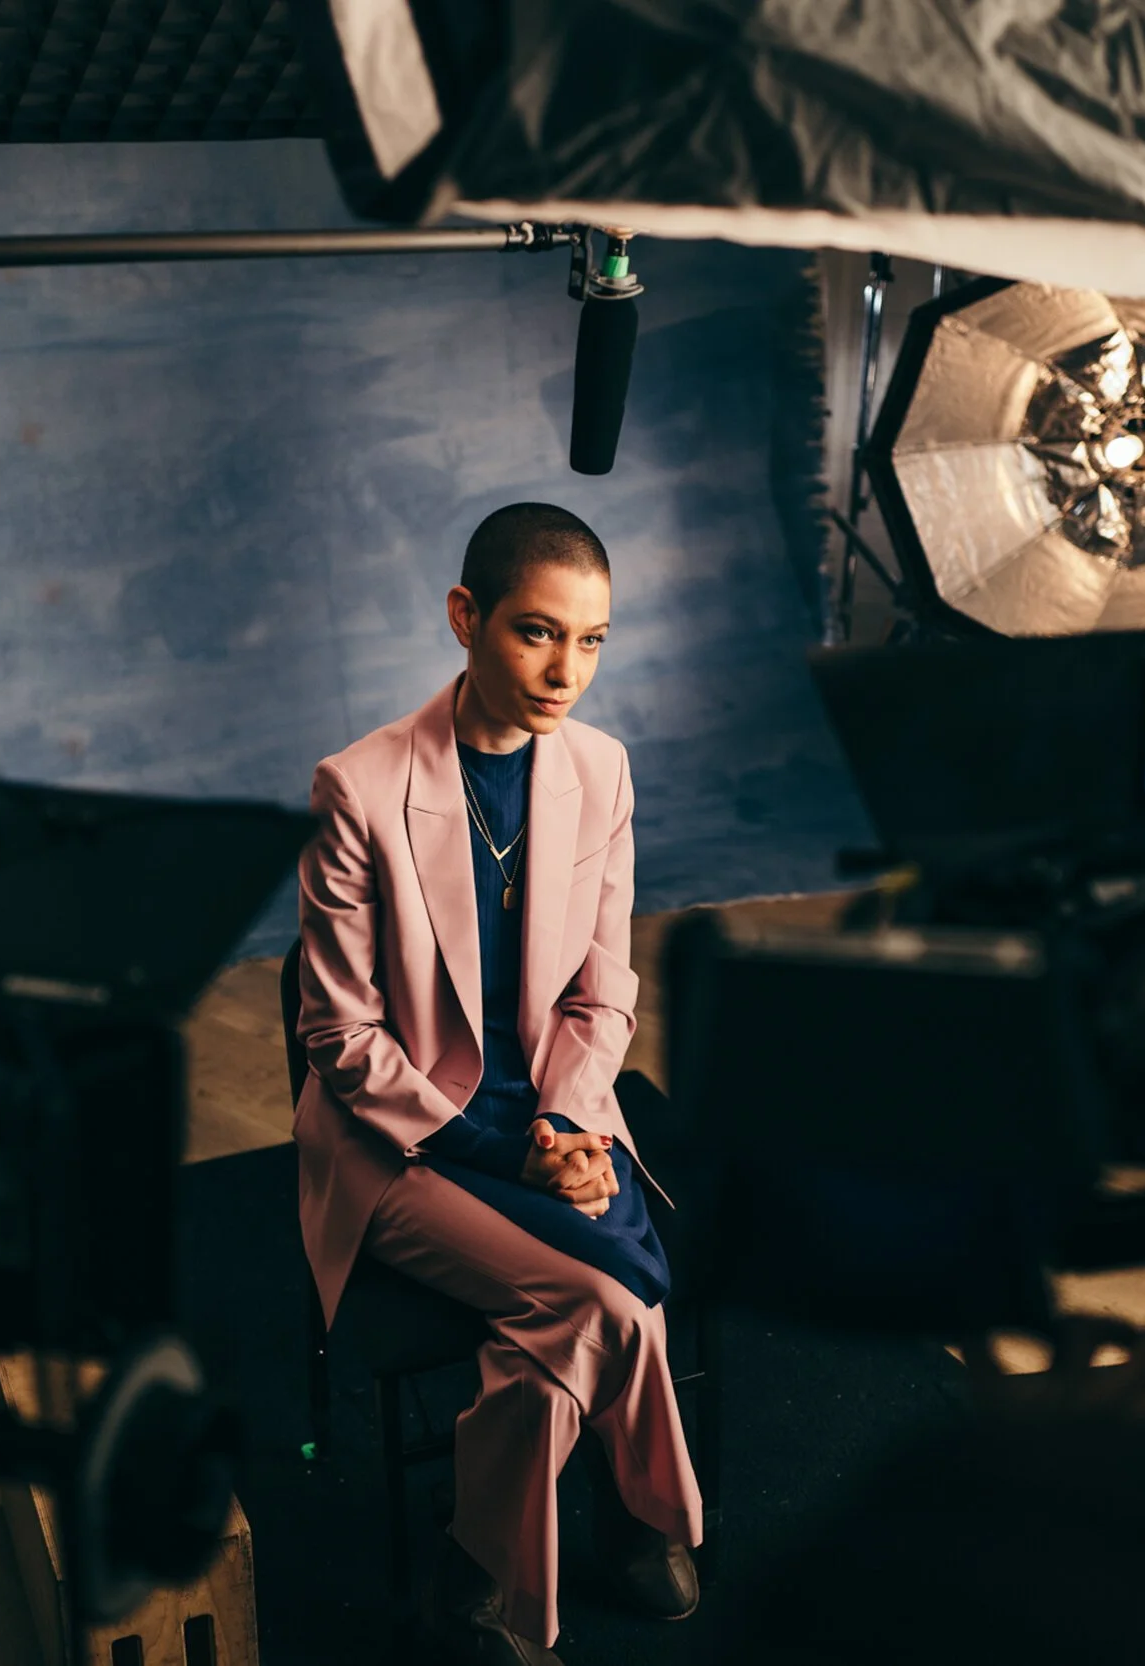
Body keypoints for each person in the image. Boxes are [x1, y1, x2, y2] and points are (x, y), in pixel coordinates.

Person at [293, 504, 700, 1665]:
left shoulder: (600, 771)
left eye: (592, 640)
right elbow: (338, 1034)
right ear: (465, 616)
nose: (566, 671)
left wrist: (565, 1125)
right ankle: (613, 1521)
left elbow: (603, 992)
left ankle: (472, 1568)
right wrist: (504, 1148)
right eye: (537, 632)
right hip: (402, 1137)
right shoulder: (360, 788)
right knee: (607, 1306)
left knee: (586, 1312)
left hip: (555, 1111)